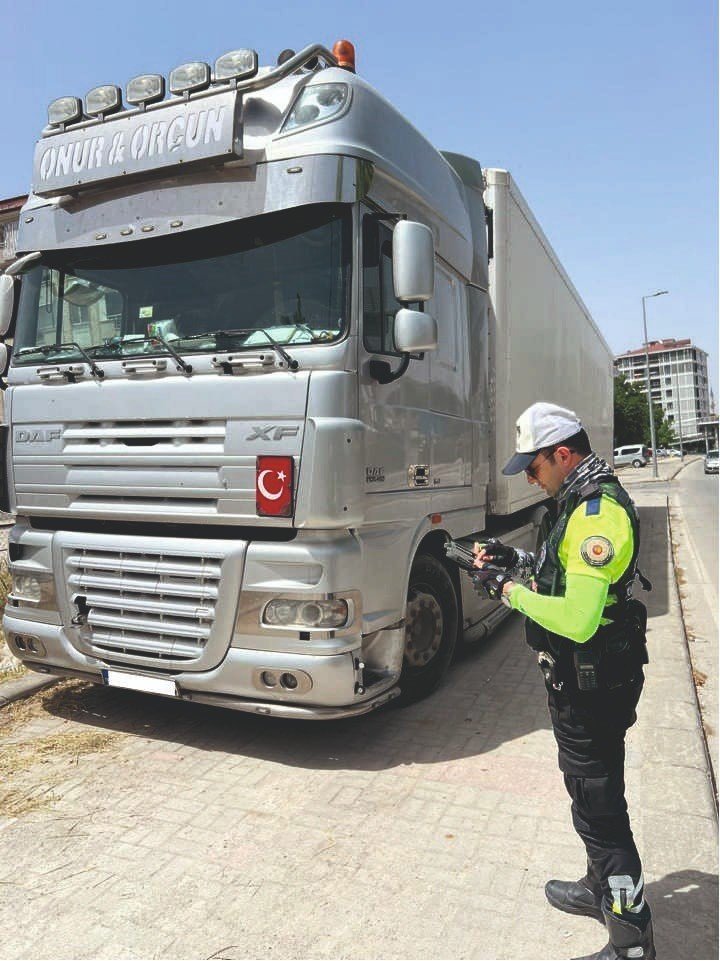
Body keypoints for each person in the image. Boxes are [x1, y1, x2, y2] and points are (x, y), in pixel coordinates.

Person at [472, 402, 654, 960]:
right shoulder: (575, 503)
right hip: (583, 681)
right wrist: (515, 560)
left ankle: (631, 938)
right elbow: (561, 570)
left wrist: (506, 591)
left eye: (534, 466)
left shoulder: (597, 514)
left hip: (594, 683)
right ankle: (601, 885)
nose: (529, 476)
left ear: (563, 454)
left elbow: (576, 618)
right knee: (590, 792)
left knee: (599, 805)